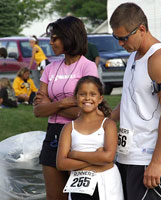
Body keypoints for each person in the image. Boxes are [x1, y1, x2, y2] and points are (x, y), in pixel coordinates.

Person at [110, 3, 161, 200]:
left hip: (151, 159)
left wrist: (157, 162)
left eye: (123, 38)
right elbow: (129, 101)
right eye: (115, 38)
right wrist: (104, 120)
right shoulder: (133, 56)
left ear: (141, 29)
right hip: (128, 157)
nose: (120, 44)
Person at [33, 16, 98, 200]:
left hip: (80, 136)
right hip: (53, 135)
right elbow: (38, 110)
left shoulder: (88, 67)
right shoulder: (50, 69)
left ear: (69, 37)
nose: (51, 42)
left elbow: (86, 112)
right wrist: (63, 103)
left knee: (81, 197)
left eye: (55, 38)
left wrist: (51, 105)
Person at [56, 75, 124, 200]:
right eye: (82, 94)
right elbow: (61, 163)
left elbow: (108, 157)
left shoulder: (108, 124)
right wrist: (97, 158)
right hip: (79, 186)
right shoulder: (68, 127)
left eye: (92, 94)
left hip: (106, 183)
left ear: (100, 99)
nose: (87, 98)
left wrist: (75, 154)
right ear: (76, 98)